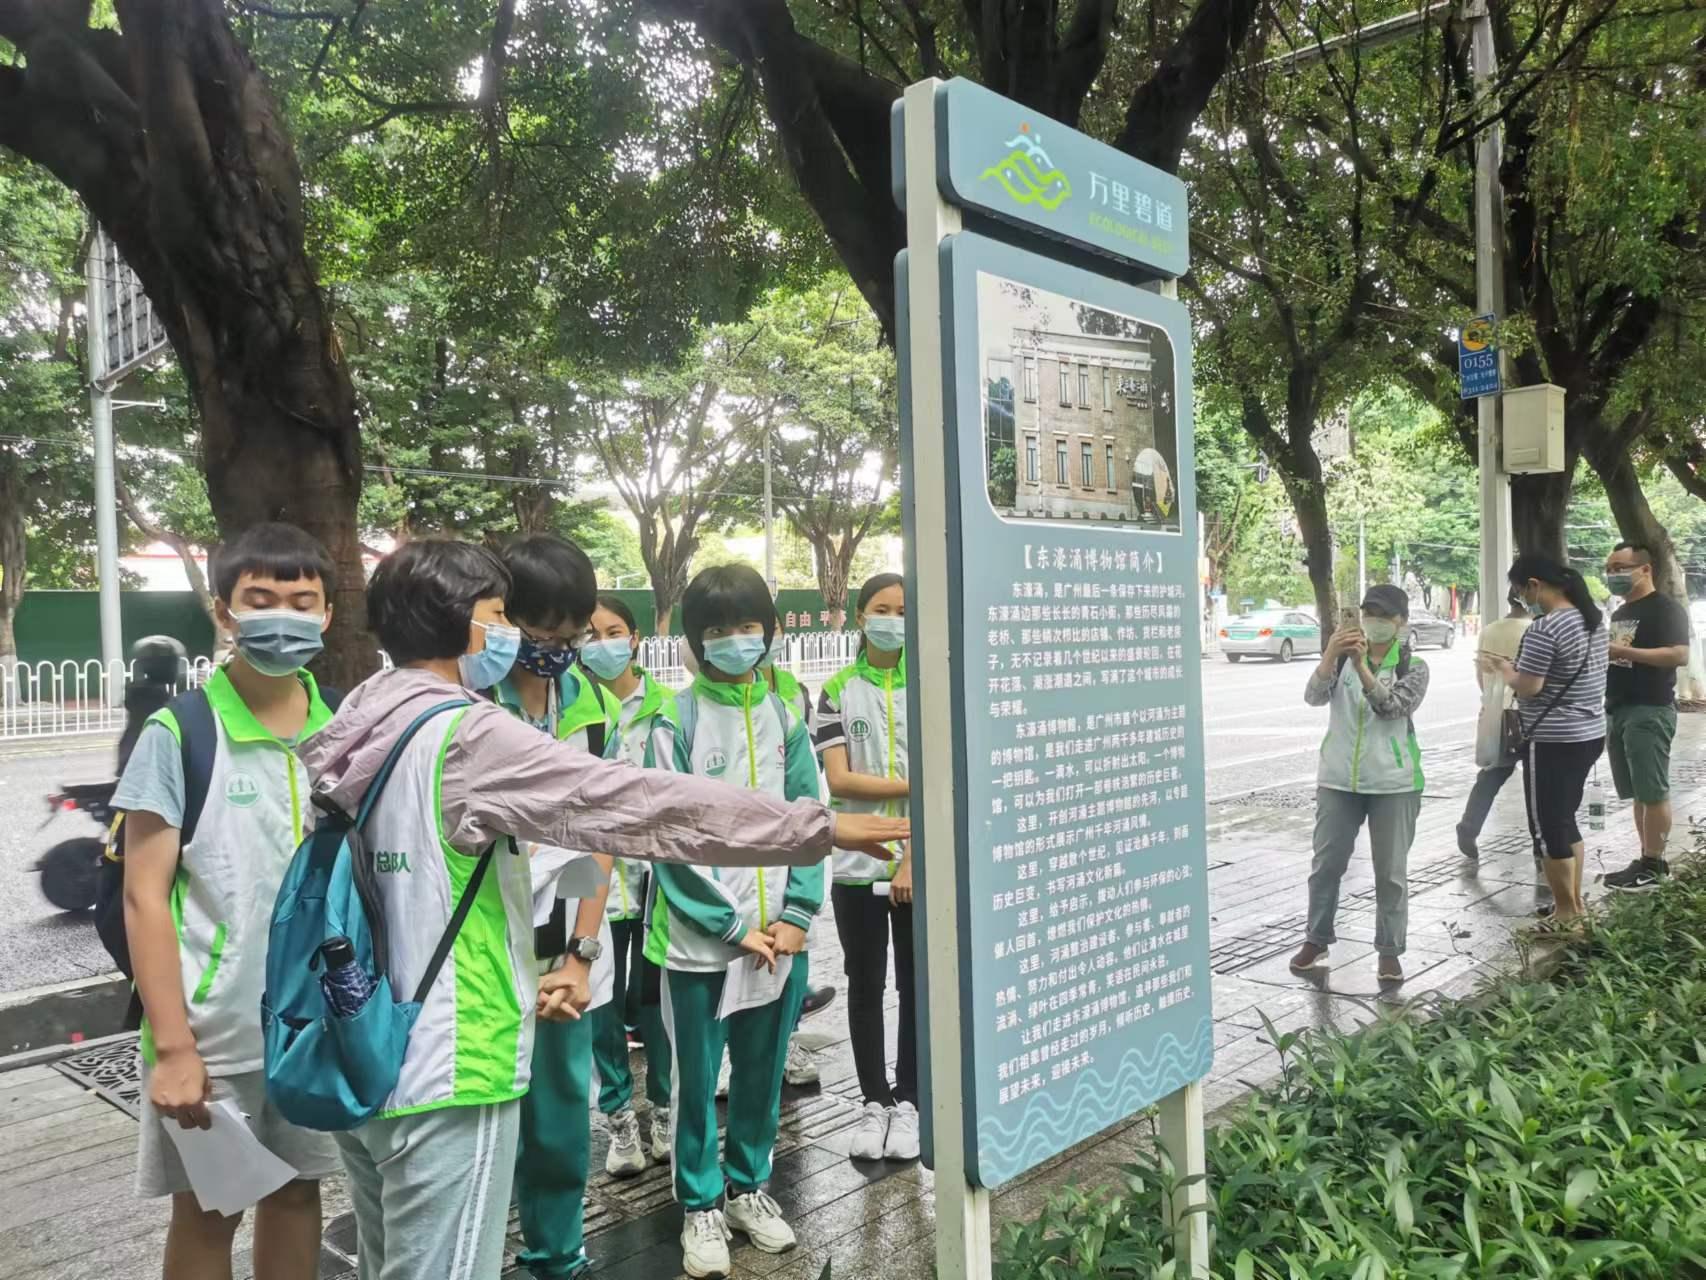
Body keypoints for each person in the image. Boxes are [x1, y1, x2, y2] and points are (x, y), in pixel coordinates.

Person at [300, 540, 906, 1280]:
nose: (515, 638)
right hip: (452, 1051)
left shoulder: (362, 714)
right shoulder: (466, 730)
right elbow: (632, 806)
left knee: (393, 1257)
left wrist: (579, 949)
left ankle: (567, 1254)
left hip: (368, 1034)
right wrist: (813, 826)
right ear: (457, 622)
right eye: (500, 616)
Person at [117, 523, 342, 1280]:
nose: (284, 615)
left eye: (302, 600)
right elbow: (143, 897)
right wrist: (175, 1046)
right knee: (210, 1212)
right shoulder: (180, 732)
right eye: (261, 599)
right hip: (213, 1037)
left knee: (298, 1195)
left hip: (317, 1028)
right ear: (225, 612)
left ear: (328, 616)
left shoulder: (345, 730)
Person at [642, 564, 825, 1279]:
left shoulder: (787, 715)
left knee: (763, 1073)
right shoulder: (675, 720)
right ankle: (699, 1204)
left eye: (748, 626)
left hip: (780, 937)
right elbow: (668, 835)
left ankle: (749, 1188)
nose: (735, 641)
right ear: (695, 640)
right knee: (695, 1081)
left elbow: (812, 819)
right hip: (700, 946)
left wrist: (798, 914)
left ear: (769, 632)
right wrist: (727, 924)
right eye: (718, 630)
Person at [486, 535, 623, 1279]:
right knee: (483, 1122)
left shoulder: (590, 703)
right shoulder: (469, 701)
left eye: (570, 634)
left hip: (560, 945)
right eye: (542, 633)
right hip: (482, 952)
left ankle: (557, 1254)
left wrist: (580, 953)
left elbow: (602, 833)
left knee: (562, 1116)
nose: (558, 651)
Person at [817, 572, 919, 1163]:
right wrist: (917, 779)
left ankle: (909, 1100)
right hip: (855, 863)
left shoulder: (931, 683)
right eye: (882, 609)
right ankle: (872, 1100)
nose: (892, 619)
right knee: (865, 983)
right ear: (860, 616)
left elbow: (949, 778)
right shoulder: (837, 689)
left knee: (913, 984)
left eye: (903, 610)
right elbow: (839, 779)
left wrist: (914, 860)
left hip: (915, 864)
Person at [1289, 585, 1430, 985]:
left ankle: (1389, 951)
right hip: (1337, 780)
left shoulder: (1414, 664)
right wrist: (1332, 654)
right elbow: (1313, 697)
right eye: (1367, 612)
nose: (1373, 621)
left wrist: (1363, 666)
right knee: (1326, 866)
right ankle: (1316, 940)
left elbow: (1393, 708)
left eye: (1383, 615)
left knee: (1390, 873)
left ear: (1401, 621)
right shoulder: (1342, 660)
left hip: (1394, 783)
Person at [580, 592, 676, 1167]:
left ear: (635, 637)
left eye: (612, 631)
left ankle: (664, 1109)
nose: (601, 644)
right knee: (602, 1009)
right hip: (597, 889)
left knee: (659, 1003)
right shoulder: (575, 709)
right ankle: (619, 1120)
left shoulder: (669, 707)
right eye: (588, 634)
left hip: (658, 885)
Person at [1482, 553, 1608, 930]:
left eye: (1522, 590)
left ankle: (1567, 915)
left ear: (1534, 585)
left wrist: (1506, 670)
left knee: (1547, 827)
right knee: (1566, 820)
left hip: (1553, 739)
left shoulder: (1545, 628)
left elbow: (1531, 686)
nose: (1522, 597)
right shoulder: (1594, 620)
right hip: (1589, 733)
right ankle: (1571, 906)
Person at [1600, 542, 1691, 891]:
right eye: (1608, 569)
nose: (1613, 575)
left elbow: (1679, 655)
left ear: (1645, 569)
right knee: (1638, 791)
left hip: (1649, 708)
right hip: (1619, 707)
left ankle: (1655, 863)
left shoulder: (1665, 609)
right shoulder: (1622, 612)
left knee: (1652, 790)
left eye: (1620, 567)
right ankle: (1645, 857)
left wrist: (1623, 651)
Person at [1457, 593, 1538, 861]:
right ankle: (1540, 845)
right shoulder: (1535, 629)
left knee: (1493, 773)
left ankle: (1469, 826)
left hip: (1497, 712)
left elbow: (1481, 676)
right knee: (1534, 780)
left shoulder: (1490, 630)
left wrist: (1491, 702)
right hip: (1527, 713)